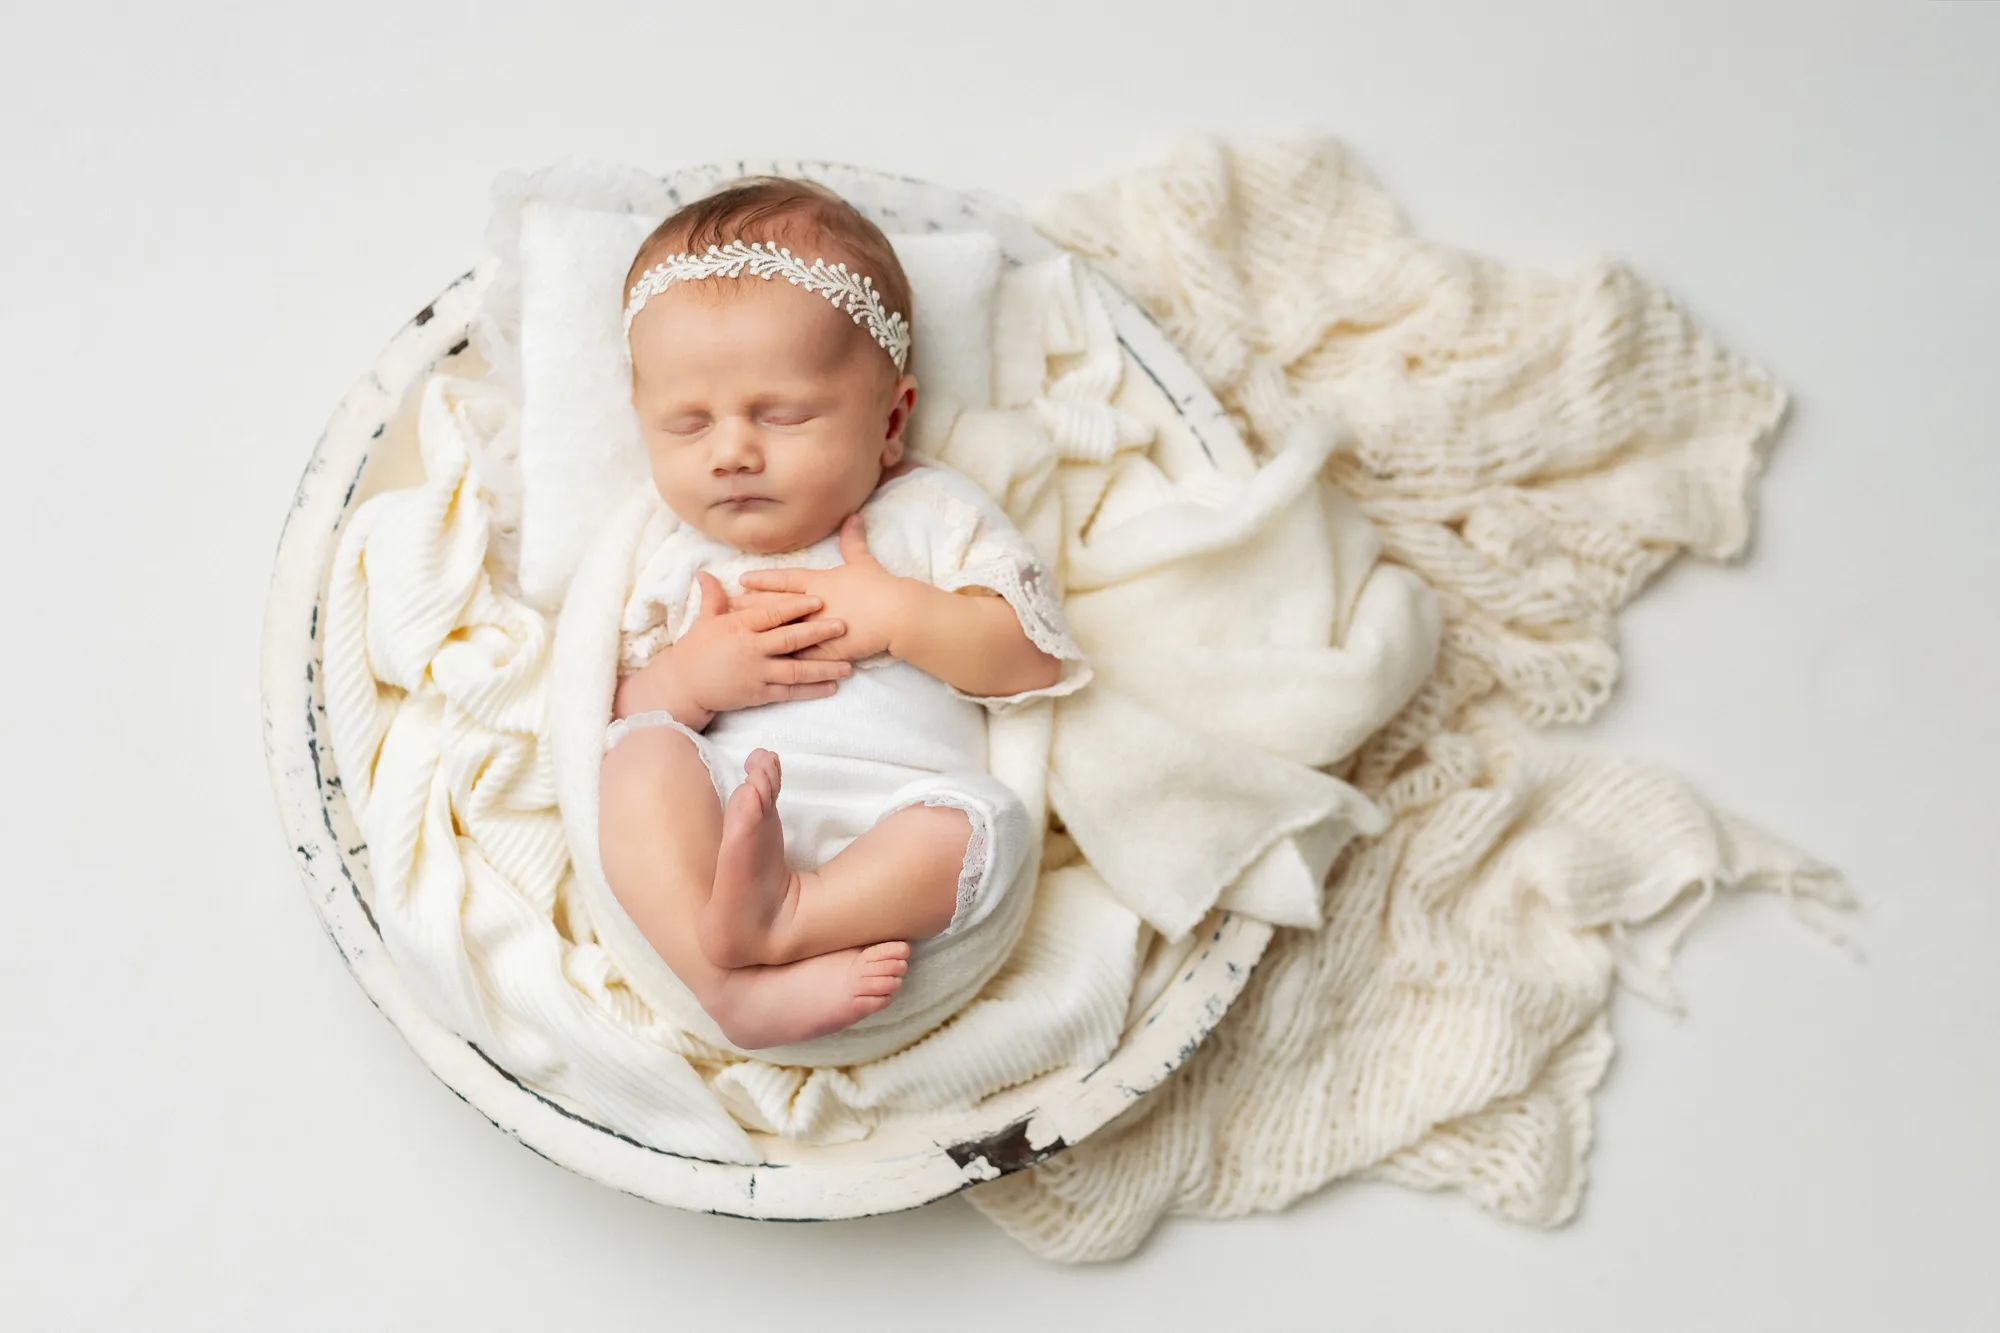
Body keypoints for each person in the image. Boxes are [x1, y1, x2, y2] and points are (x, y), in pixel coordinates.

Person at [597, 177, 1090, 1050]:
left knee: (987, 827)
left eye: (783, 415)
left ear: (891, 419)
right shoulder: (672, 556)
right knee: (638, 763)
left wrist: (898, 613)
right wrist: (689, 680)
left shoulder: (930, 515)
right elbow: (619, 716)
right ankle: (727, 987)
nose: (731, 451)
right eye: (687, 424)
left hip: (895, 825)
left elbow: (1031, 657)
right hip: (721, 829)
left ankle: (793, 915)